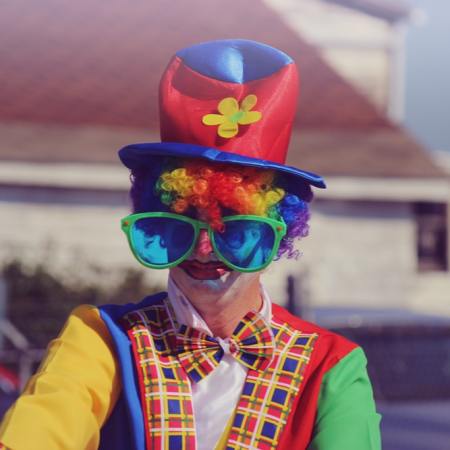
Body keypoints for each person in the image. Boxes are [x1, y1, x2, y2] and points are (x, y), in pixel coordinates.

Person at [0, 39, 381, 450]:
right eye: (178, 226)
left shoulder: (332, 367)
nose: (203, 248)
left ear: (277, 234)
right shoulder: (103, 339)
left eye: (234, 228)